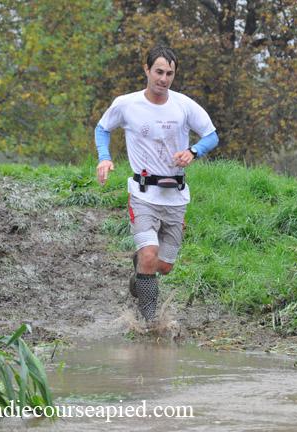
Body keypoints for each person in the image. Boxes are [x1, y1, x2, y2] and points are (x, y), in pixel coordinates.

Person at [94, 45, 219, 322]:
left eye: (169, 74)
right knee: (150, 255)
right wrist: (104, 157)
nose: (163, 79)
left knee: (163, 266)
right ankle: (149, 322)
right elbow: (102, 128)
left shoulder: (184, 105)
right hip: (143, 193)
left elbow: (211, 135)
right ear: (147, 70)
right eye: (159, 72)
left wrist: (194, 151)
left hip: (176, 195)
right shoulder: (126, 104)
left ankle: (139, 270)